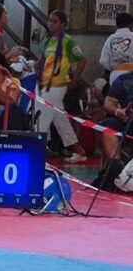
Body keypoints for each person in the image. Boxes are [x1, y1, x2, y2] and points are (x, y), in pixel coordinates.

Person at [39, 9, 88, 162]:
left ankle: (37, 148)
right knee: (60, 120)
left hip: (57, 86)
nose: (51, 24)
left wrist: (75, 80)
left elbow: (82, 60)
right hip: (44, 84)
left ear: (63, 24)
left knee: (43, 116)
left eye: (55, 21)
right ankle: (78, 149)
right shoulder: (48, 41)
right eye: (50, 21)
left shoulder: (67, 41)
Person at [100, 12, 133, 84]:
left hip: (115, 75)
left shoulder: (111, 38)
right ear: (130, 25)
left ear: (116, 25)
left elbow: (103, 61)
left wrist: (114, 68)